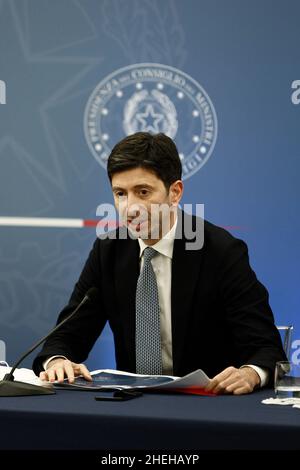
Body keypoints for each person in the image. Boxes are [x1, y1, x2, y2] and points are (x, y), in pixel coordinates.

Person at [33, 132, 286, 394]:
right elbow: (66, 336)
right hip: (135, 405)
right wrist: (58, 360)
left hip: (209, 406)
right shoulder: (108, 251)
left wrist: (250, 373)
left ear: (175, 192)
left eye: (143, 192)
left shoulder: (221, 251)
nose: (130, 207)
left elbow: (266, 348)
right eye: (120, 193)